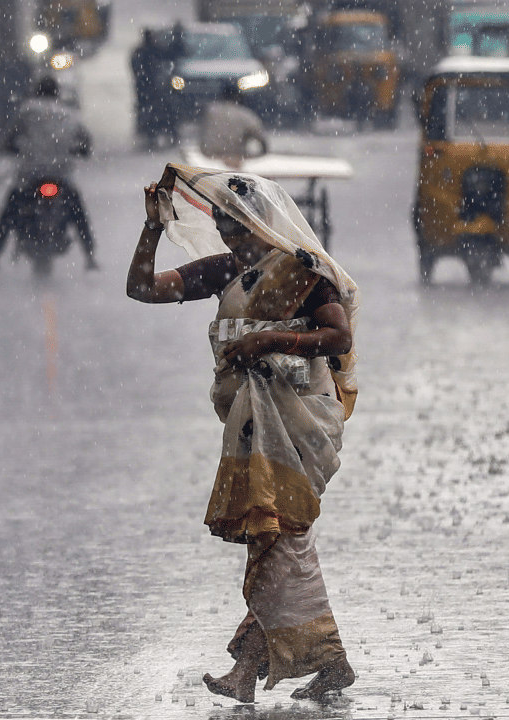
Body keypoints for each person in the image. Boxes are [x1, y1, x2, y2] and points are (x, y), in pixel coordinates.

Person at [127, 164, 360, 703]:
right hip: (253, 425)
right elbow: (142, 288)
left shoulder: (303, 271)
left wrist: (271, 341)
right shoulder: (224, 270)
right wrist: (153, 228)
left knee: (274, 536)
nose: (231, 237)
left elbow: (336, 334)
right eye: (224, 226)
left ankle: (251, 670)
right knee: (275, 538)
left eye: (239, 226)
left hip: (299, 422)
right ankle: (326, 662)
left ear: (262, 223)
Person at [0, 76, 98, 271]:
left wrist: (7, 147)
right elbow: (85, 140)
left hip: (30, 174)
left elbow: (10, 137)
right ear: (57, 93)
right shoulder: (69, 113)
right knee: (77, 209)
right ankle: (90, 255)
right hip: (61, 173)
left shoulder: (27, 111)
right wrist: (80, 150)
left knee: (9, 209)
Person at [198, 83, 268, 168]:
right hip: (234, 157)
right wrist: (262, 152)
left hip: (208, 157)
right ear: (238, 97)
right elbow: (260, 136)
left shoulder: (210, 110)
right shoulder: (245, 114)